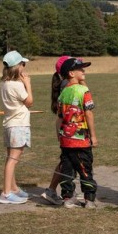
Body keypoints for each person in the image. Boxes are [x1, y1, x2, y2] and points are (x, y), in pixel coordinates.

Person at [56, 57, 99, 208]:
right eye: (80, 69)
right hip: (81, 140)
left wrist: (59, 134)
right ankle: (89, 199)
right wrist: (93, 136)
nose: (83, 70)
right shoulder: (83, 90)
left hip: (65, 139)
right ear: (71, 73)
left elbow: (59, 117)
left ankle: (67, 198)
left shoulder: (63, 93)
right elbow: (89, 114)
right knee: (85, 169)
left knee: (67, 170)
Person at [42, 55, 78, 205]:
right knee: (67, 161)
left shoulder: (65, 83)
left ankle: (63, 190)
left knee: (68, 160)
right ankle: (54, 190)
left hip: (64, 126)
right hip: (68, 128)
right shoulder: (67, 84)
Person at [0, 50, 33, 204]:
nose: (24, 67)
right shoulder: (17, 85)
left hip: (9, 123)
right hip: (18, 124)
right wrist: (27, 84)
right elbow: (29, 102)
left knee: (10, 158)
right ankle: (6, 193)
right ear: (17, 67)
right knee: (13, 160)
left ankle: (13, 188)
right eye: (22, 64)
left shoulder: (4, 83)